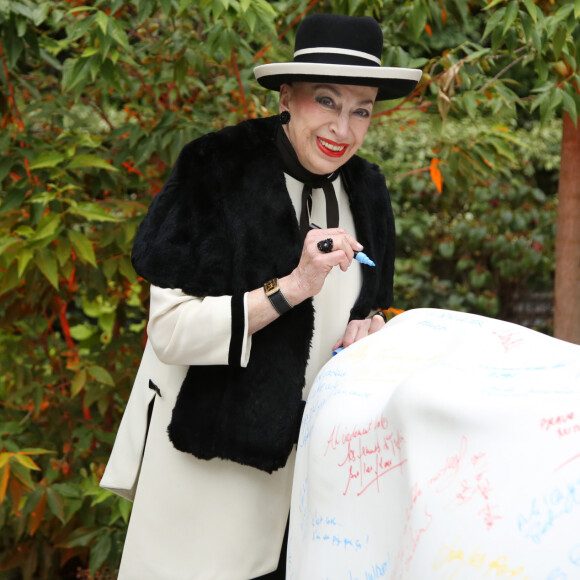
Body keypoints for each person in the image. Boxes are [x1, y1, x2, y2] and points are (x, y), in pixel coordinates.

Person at [100, 13, 421, 580]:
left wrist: (371, 329)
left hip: (317, 493)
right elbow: (171, 333)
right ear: (287, 97)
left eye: (361, 109)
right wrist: (293, 287)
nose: (343, 129)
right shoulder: (217, 170)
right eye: (327, 101)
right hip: (208, 474)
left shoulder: (367, 189)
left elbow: (366, 306)